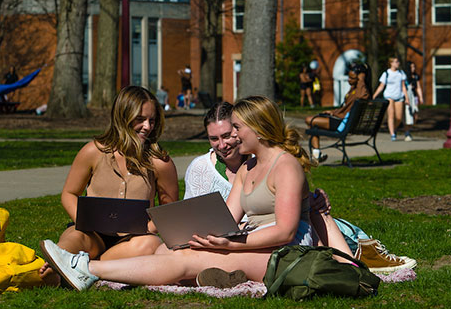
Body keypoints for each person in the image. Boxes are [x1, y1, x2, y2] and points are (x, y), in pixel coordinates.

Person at [40, 95, 318, 290]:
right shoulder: (249, 168)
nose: (232, 136)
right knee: (167, 248)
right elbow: (227, 220)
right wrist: (198, 236)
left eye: (236, 128)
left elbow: (284, 232)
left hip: (286, 253)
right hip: (253, 242)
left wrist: (231, 245)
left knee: (184, 260)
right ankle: (213, 274)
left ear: (257, 130)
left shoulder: (286, 167)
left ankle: (87, 270)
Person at [186, 101, 415, 275]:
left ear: (252, 130)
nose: (224, 144)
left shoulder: (274, 163)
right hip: (250, 233)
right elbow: (206, 220)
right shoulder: (204, 169)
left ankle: (361, 256)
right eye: (214, 139)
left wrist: (314, 200)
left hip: (286, 231)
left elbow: (291, 217)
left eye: (230, 133)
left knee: (325, 221)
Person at [39, 86, 179, 286]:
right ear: (123, 116)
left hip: (132, 240)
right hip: (91, 234)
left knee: (151, 244)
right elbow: (69, 193)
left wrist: (148, 228)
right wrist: (81, 220)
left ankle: (75, 268)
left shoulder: (160, 163)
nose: (147, 126)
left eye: (152, 120)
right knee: (74, 236)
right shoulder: (92, 152)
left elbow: (169, 210)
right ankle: (62, 262)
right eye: (140, 119)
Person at [304, 63, 370, 162]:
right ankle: (316, 154)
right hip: (341, 119)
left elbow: (363, 96)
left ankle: (316, 154)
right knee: (313, 122)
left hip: (342, 123)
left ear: (360, 79)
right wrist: (333, 112)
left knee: (310, 120)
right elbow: (346, 108)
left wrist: (361, 80)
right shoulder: (354, 89)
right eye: (349, 77)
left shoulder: (361, 90)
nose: (349, 80)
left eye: (352, 78)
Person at [372, 57, 411, 141]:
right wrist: (374, 96)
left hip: (399, 96)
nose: (398, 63)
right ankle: (392, 134)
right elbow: (381, 86)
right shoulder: (386, 73)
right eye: (396, 62)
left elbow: (404, 87)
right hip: (389, 96)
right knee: (391, 115)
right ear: (391, 63)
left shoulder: (401, 73)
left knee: (399, 117)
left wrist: (407, 98)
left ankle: (394, 129)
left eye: (398, 61)